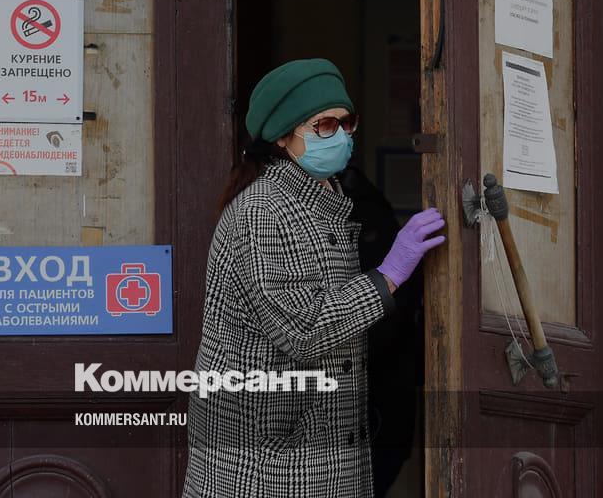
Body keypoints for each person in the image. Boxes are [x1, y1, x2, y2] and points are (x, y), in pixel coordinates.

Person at [182, 58, 445, 498]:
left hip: (314, 458)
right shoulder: (263, 211)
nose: (341, 136)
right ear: (283, 137)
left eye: (347, 123)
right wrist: (387, 277)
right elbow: (305, 330)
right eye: (324, 125)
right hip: (266, 469)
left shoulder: (325, 202)